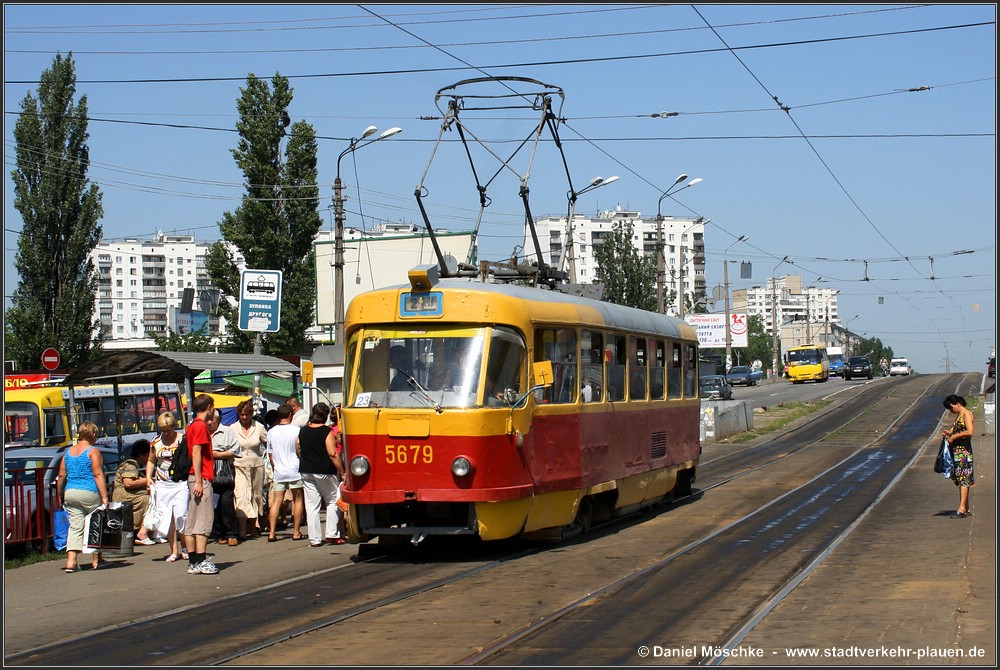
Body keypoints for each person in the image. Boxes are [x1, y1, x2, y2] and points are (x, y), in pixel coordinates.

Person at [55, 422, 110, 572]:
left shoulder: (68, 453)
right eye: (96, 434)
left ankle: (71, 561)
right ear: (92, 435)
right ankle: (97, 560)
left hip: (70, 492)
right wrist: (104, 496)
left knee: (75, 527)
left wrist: (60, 494)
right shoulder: (93, 451)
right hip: (89, 492)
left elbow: (61, 475)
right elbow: (98, 474)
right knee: (95, 525)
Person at [297, 402, 347, 547]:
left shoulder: (303, 430)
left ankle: (315, 539)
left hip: (306, 470)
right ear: (325, 416)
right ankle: (332, 533)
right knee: (333, 499)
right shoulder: (327, 432)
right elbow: (332, 454)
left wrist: (305, 459)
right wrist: (342, 472)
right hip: (325, 470)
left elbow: (298, 448)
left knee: (312, 505)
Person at [182, 394, 219, 574]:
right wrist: (199, 480)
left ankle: (194, 561)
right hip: (201, 477)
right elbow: (196, 453)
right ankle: (202, 560)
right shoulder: (200, 427)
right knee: (203, 521)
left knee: (192, 521)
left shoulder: (192, 426)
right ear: (210, 407)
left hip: (195, 477)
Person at [146, 411, 189, 562]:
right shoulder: (156, 441)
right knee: (167, 519)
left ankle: (185, 546)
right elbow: (151, 460)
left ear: (174, 427)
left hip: (180, 482)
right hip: (162, 484)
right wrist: (148, 477)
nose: (166, 433)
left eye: (168, 430)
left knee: (181, 515)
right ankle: (174, 551)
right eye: (163, 430)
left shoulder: (182, 439)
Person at [266, 403, 305, 541]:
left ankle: (271, 533)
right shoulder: (296, 430)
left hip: (279, 471)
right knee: (298, 500)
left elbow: (270, 455)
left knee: (276, 501)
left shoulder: (271, 432)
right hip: (295, 469)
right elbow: (299, 450)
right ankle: (296, 532)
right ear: (290, 415)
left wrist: (275, 466)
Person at [232, 399, 267, 540]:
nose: (244, 417)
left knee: (255, 496)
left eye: (247, 414)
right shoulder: (233, 428)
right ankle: (241, 529)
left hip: (256, 466)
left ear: (251, 414)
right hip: (239, 466)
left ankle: (253, 527)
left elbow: (268, 442)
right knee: (241, 496)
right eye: (242, 414)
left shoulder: (258, 427)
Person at [208, 409, 241, 546]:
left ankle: (231, 533)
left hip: (225, 471)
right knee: (213, 504)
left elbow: (235, 450)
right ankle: (219, 533)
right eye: (207, 420)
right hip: (208, 472)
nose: (209, 423)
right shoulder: (203, 432)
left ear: (217, 420)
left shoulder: (226, 431)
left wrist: (217, 455)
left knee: (226, 502)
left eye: (212, 420)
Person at [112, 439, 154, 544]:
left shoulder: (137, 465)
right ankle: (142, 532)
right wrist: (150, 480)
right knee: (149, 500)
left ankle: (148, 531)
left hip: (130, 495)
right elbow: (128, 483)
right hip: (124, 496)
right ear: (142, 454)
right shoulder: (130, 464)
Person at [942, 394, 975, 518]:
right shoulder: (959, 415)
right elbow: (959, 429)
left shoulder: (966, 414)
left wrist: (954, 437)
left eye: (951, 408)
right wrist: (950, 433)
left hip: (963, 453)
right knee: (962, 478)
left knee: (964, 479)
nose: (951, 411)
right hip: (958, 452)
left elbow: (970, 431)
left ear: (957, 404)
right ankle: (965, 507)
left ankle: (962, 509)